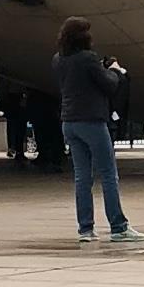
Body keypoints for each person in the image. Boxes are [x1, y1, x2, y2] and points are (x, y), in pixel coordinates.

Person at [53, 16, 137, 243]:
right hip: (91, 120)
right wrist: (116, 70)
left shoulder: (58, 59)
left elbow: (78, 80)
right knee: (109, 174)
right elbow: (109, 84)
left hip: (69, 122)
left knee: (82, 177)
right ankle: (119, 226)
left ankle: (86, 229)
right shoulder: (87, 58)